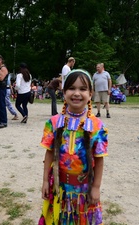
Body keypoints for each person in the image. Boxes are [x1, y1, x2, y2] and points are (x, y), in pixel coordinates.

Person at [39, 69, 108, 224]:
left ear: (90, 94)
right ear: (64, 92)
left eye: (83, 89)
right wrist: (45, 181)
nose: (76, 93)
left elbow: (99, 160)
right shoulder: (54, 122)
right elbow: (49, 153)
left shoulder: (97, 127)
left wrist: (96, 187)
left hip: (84, 190)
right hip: (59, 188)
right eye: (72, 88)